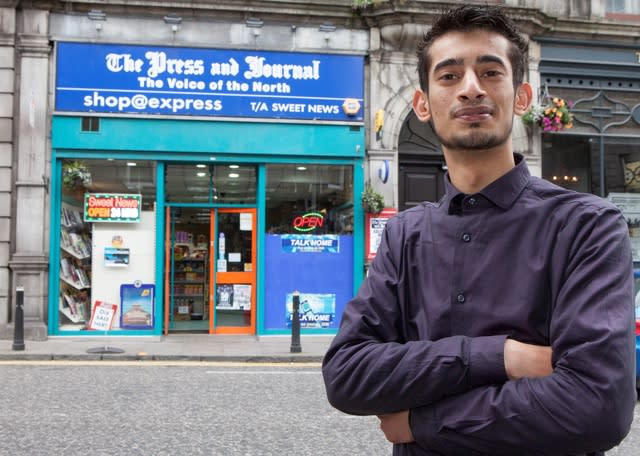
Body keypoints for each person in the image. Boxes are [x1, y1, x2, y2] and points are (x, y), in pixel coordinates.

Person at [322, 4, 636, 455]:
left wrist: (422, 421)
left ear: (523, 97)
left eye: (490, 72)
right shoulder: (404, 235)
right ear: (424, 104)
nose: (471, 89)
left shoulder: (586, 226)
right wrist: (499, 356)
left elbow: (597, 404)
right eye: (449, 76)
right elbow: (347, 374)